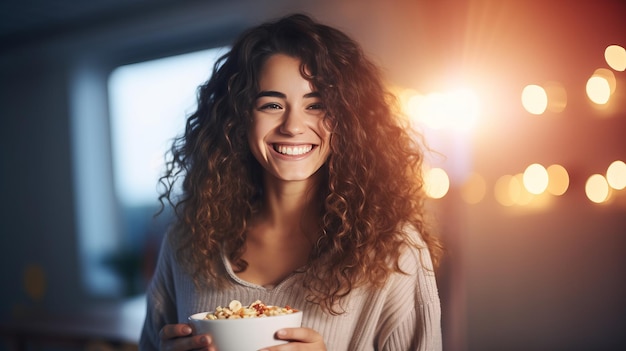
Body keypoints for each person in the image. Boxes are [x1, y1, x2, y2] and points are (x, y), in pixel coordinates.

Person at [140, 13, 443, 351]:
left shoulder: (394, 251)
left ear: (348, 119)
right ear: (238, 118)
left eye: (316, 105)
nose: (293, 126)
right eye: (271, 104)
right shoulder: (188, 242)